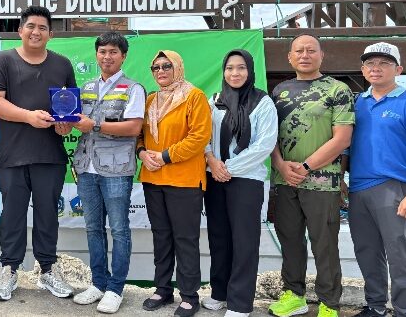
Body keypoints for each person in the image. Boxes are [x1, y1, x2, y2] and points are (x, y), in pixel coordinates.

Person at [0, 6, 77, 301]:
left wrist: (65, 125)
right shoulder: (3, 61)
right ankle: (8, 270)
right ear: (20, 30)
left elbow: (70, 110)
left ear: (51, 34)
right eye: (31, 26)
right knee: (12, 215)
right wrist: (28, 116)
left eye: (42, 27)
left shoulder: (62, 64)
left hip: (50, 155)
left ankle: (48, 270)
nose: (36, 32)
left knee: (48, 214)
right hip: (12, 155)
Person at [347, 42, 406, 317]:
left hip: (394, 188)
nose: (376, 68)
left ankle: (403, 310)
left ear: (398, 70)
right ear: (363, 70)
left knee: (399, 254)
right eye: (370, 63)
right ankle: (375, 306)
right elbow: (345, 146)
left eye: (384, 63)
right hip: (358, 188)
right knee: (367, 251)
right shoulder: (357, 104)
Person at [269, 34, 354, 317]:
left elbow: (342, 139)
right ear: (289, 57)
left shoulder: (338, 89)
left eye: (311, 50)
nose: (304, 55)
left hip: (322, 182)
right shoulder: (279, 91)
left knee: (324, 245)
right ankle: (294, 295)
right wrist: (281, 165)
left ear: (321, 55)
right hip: (284, 180)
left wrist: (305, 167)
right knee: (290, 241)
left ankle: (329, 303)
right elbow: (270, 136)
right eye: (299, 51)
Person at [71, 32, 145, 314]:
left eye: (113, 52)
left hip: (116, 170)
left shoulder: (133, 88)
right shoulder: (87, 87)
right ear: (96, 55)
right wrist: (64, 123)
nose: (107, 57)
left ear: (123, 56)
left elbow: (134, 128)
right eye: (102, 51)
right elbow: (76, 121)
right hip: (86, 167)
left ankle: (115, 289)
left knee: (119, 230)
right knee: (93, 228)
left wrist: (96, 125)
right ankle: (98, 284)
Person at [202, 50, 278, 317]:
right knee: (219, 237)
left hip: (246, 180)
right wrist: (212, 161)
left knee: (244, 241)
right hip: (215, 177)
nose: (235, 73)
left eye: (241, 68)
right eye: (230, 68)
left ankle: (240, 303)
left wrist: (227, 168)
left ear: (250, 71)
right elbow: (203, 135)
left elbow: (264, 145)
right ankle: (219, 293)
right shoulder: (214, 101)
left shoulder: (262, 102)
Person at [136, 50, 212, 317]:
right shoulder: (150, 100)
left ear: (178, 67)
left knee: (185, 239)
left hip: (184, 180)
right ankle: (162, 288)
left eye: (166, 66)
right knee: (161, 236)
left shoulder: (194, 97)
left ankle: (190, 295)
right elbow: (139, 134)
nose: (161, 71)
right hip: (153, 178)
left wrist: (165, 156)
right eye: (155, 67)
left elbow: (200, 137)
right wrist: (142, 153)